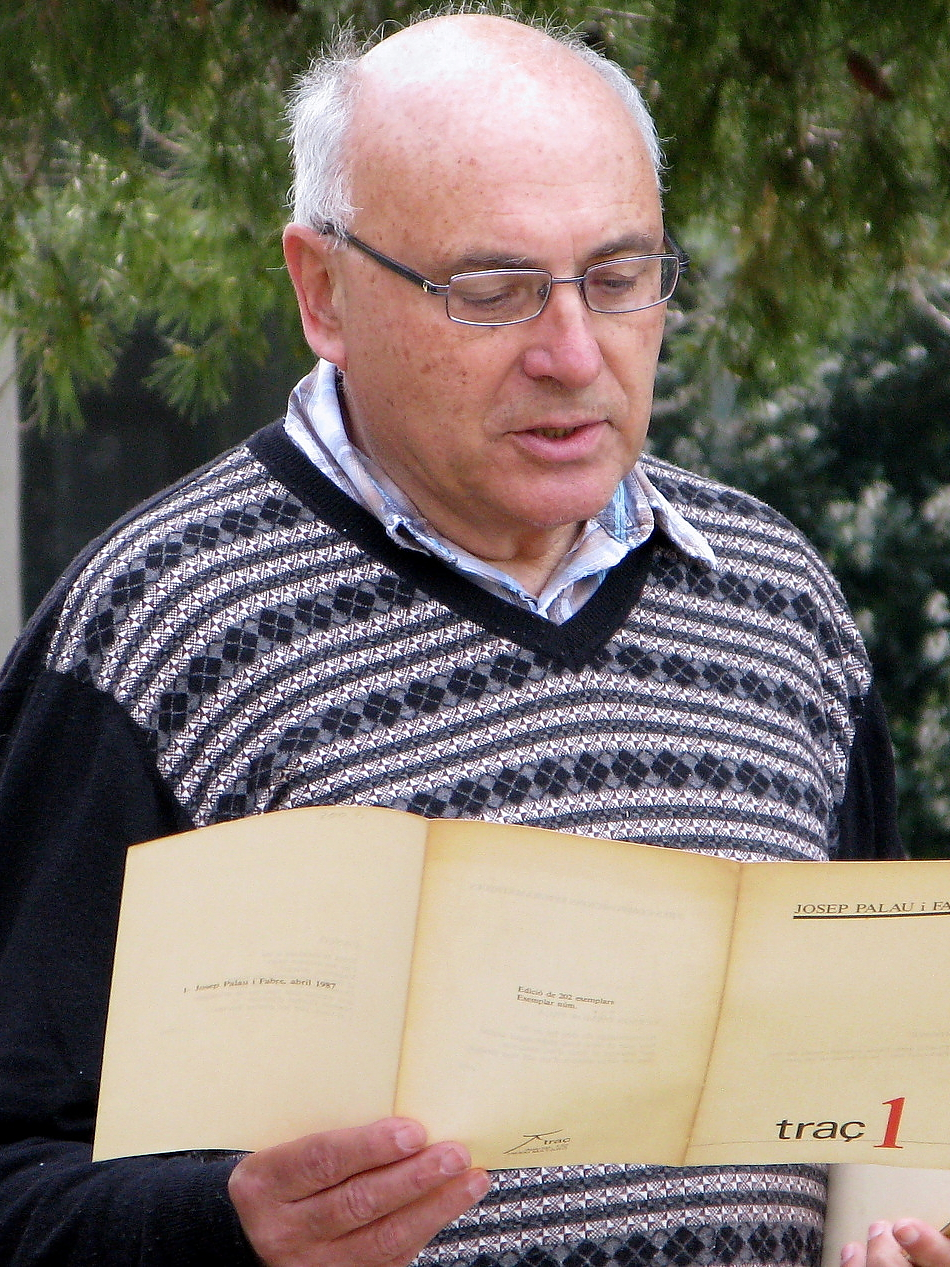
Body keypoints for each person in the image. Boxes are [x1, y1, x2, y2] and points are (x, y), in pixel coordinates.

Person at [0, 11, 939, 1267]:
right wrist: (225, 1229)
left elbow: (878, 1102)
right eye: (491, 294)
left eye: (619, 278)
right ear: (322, 291)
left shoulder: (781, 607)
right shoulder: (157, 628)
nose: (572, 352)